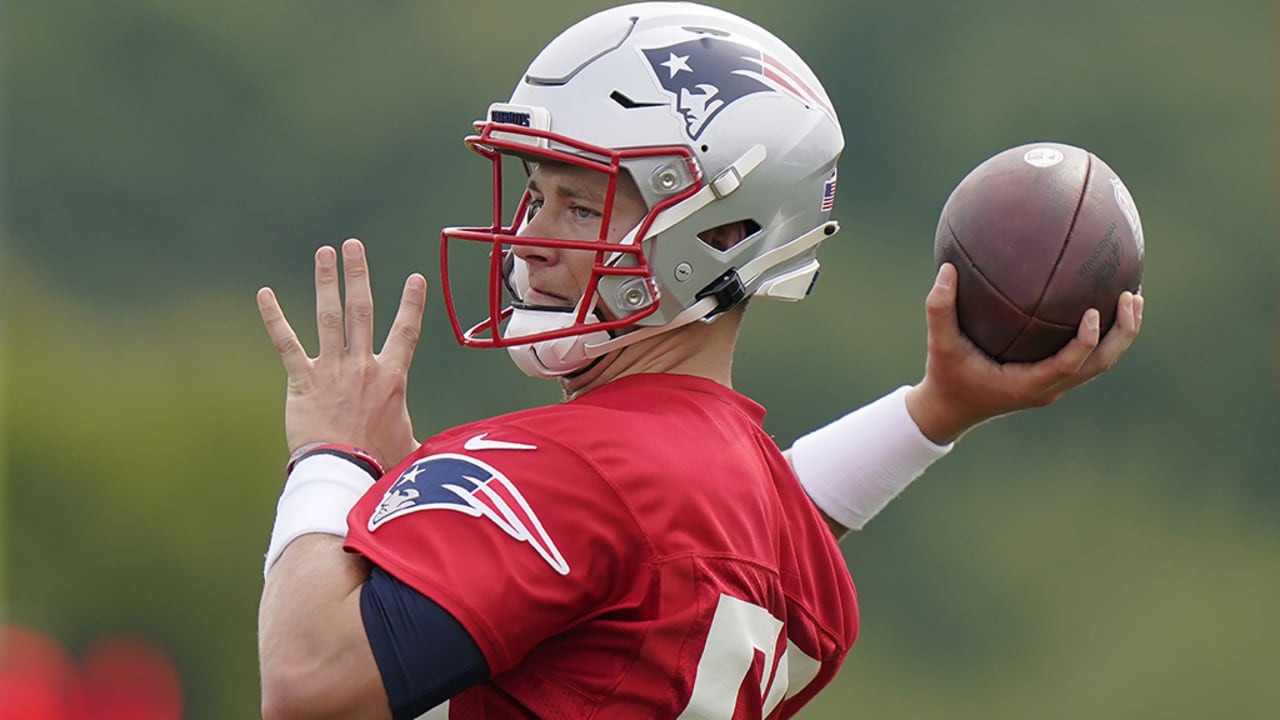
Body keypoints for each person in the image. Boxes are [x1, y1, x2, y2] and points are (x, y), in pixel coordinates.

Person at [256, 3, 1144, 719]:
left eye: (577, 205)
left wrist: (332, 459)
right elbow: (750, 516)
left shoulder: (571, 468)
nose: (529, 240)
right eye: (535, 195)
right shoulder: (746, 509)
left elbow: (309, 684)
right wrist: (937, 409)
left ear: (717, 235)